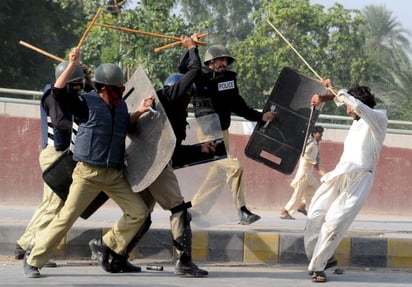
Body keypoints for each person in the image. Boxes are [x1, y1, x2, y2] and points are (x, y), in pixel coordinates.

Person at [89, 35, 209, 277]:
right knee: (178, 209)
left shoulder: (166, 110)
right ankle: (184, 262)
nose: (189, 100)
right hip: (155, 165)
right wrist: (191, 48)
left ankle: (114, 252)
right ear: (180, 91)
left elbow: (171, 149)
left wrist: (200, 150)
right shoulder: (171, 97)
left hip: (146, 165)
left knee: (141, 215)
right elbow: (194, 71)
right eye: (188, 95)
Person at [23, 51, 151, 278]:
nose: (119, 91)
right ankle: (33, 260)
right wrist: (72, 64)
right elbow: (58, 92)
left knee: (138, 212)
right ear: (102, 87)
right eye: (115, 88)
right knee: (65, 218)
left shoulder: (120, 106)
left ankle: (106, 243)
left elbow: (124, 124)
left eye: (120, 87)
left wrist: (139, 112)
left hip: (114, 174)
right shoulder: (85, 104)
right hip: (87, 173)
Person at [304, 79, 388, 283]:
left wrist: (334, 88)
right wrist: (325, 96)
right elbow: (349, 102)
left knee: (333, 222)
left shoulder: (378, 119)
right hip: (340, 174)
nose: (347, 110)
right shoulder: (357, 119)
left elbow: (356, 105)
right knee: (314, 214)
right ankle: (325, 257)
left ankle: (318, 267)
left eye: (349, 106)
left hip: (360, 178)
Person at [14, 53, 93, 263]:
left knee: (48, 204)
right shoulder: (53, 94)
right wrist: (86, 130)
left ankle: (24, 243)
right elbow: (60, 123)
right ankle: (36, 247)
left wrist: (86, 77)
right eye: (76, 83)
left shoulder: (70, 96)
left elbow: (90, 103)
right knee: (54, 206)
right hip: (55, 156)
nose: (80, 88)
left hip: (60, 155)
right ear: (67, 81)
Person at [190, 44, 276, 225]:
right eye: (220, 60)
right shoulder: (199, 78)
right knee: (234, 167)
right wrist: (191, 48)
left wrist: (260, 116)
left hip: (223, 131)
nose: (224, 63)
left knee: (219, 173)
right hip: (207, 132)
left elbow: (238, 105)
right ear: (210, 61)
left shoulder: (228, 79)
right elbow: (186, 67)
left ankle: (195, 211)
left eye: (226, 60)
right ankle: (242, 211)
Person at [280, 125, 326, 220]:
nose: (321, 136)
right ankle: (285, 211)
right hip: (304, 174)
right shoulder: (311, 144)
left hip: (309, 174)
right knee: (297, 194)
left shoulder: (315, 144)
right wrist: (322, 173)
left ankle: (302, 206)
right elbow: (305, 155)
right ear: (314, 134)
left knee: (315, 190)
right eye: (320, 134)